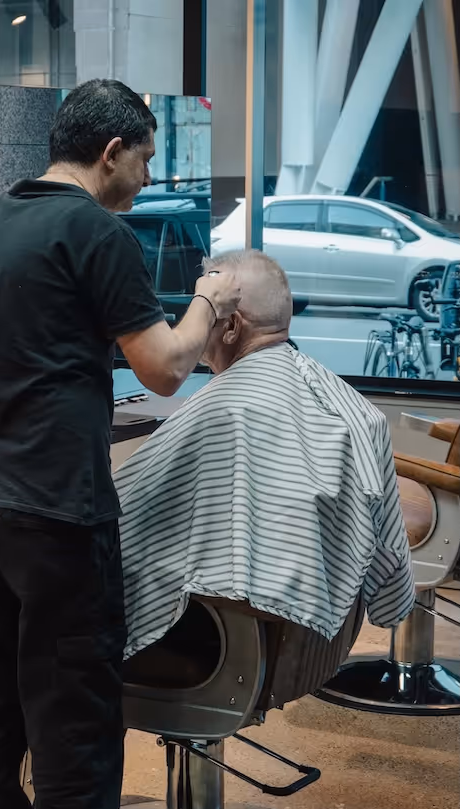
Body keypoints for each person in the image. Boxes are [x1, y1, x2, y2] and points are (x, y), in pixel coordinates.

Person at [0, 79, 241, 809]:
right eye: (141, 158)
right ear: (111, 152)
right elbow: (167, 368)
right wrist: (208, 296)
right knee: (71, 706)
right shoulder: (98, 233)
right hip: (53, 508)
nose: (141, 177)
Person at [115, 250, 416, 660]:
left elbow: (125, 524)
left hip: (214, 638)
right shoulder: (343, 400)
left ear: (231, 325)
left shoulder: (230, 409)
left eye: (204, 314)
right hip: (303, 644)